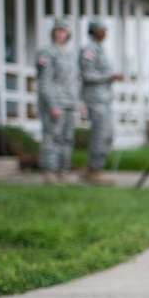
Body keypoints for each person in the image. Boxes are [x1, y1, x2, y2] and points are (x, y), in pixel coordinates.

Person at [36, 17, 80, 184]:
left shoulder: (70, 54)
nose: (61, 34)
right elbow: (45, 81)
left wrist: (78, 103)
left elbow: (73, 81)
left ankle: (64, 171)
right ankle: (49, 171)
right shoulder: (47, 52)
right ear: (53, 33)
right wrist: (52, 104)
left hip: (69, 102)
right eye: (58, 30)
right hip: (54, 102)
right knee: (52, 136)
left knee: (67, 138)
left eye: (64, 31)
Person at [79, 20, 122, 185]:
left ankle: (95, 168)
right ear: (93, 32)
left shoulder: (100, 50)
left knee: (107, 134)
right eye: (102, 30)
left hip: (104, 98)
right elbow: (87, 75)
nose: (105, 33)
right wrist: (109, 76)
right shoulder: (89, 50)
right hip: (95, 99)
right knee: (100, 134)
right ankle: (93, 171)